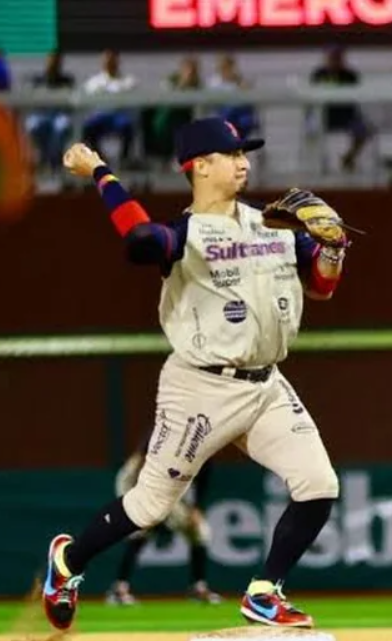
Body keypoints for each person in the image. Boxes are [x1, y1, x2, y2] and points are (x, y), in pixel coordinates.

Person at [43, 117, 350, 631]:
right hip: (200, 387)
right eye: (232, 154)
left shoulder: (272, 225)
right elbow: (140, 240)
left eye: (244, 153)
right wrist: (100, 170)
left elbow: (322, 286)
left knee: (319, 484)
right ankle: (68, 563)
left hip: (266, 384)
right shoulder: (187, 233)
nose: (244, 161)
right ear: (200, 166)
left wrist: (334, 248)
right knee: (148, 506)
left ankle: (263, 592)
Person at [104, 442, 221, 606]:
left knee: (199, 531)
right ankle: (118, 589)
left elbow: (203, 479)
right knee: (140, 529)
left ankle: (198, 587)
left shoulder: (204, 445)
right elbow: (141, 465)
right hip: (134, 480)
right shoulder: (173, 431)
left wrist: (196, 508)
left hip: (166, 483)